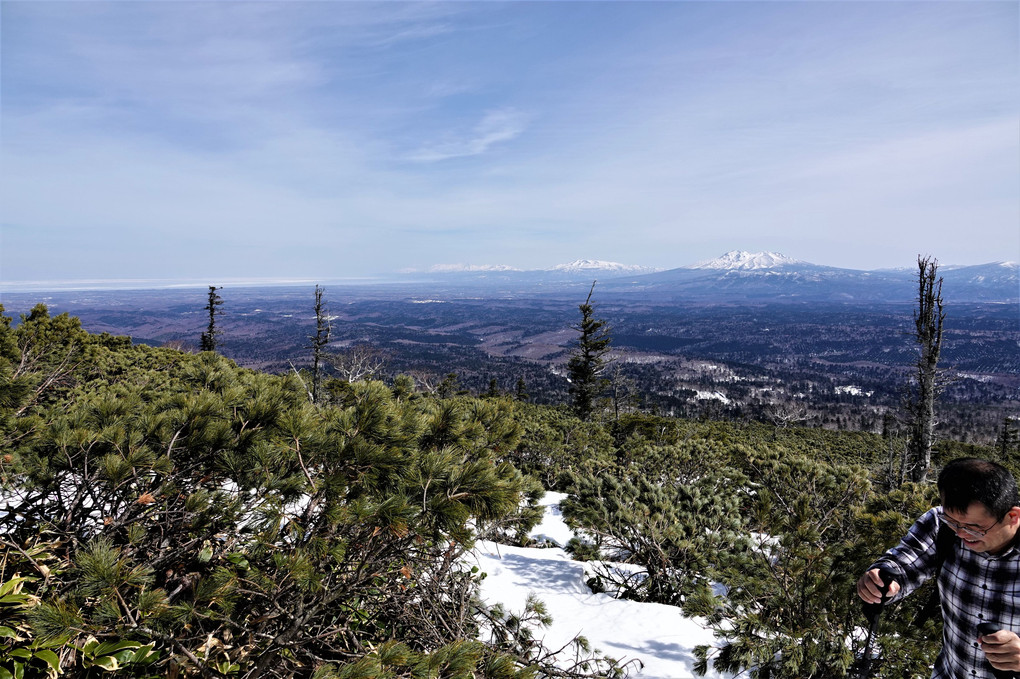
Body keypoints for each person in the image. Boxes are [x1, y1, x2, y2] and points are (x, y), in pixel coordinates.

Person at [857, 457, 1020, 678]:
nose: (961, 534)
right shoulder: (940, 525)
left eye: (975, 528)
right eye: (953, 522)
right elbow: (904, 561)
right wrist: (881, 580)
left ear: (1012, 516)